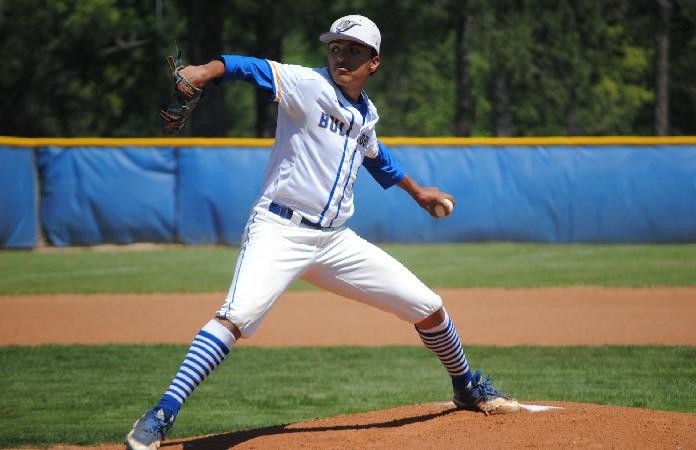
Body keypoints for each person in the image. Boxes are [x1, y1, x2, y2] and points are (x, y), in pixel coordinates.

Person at [126, 14, 519, 450]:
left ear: (374, 62)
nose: (341, 56)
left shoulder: (367, 112)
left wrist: (417, 192)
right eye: (335, 47)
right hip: (279, 229)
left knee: (430, 307)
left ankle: (466, 387)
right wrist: (205, 71)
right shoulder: (306, 84)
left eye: (353, 49)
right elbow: (248, 66)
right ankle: (163, 412)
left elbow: (376, 156)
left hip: (334, 241)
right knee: (236, 317)